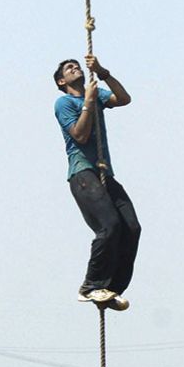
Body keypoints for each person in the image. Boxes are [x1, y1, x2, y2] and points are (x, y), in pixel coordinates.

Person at [53, 55, 139, 311]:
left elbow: (124, 99)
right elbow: (79, 135)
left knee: (131, 228)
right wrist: (89, 101)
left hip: (104, 174)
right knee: (109, 225)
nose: (75, 68)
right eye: (69, 68)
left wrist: (102, 72)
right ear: (61, 81)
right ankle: (91, 285)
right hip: (83, 174)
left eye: (76, 65)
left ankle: (112, 289)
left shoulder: (96, 93)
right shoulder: (64, 102)